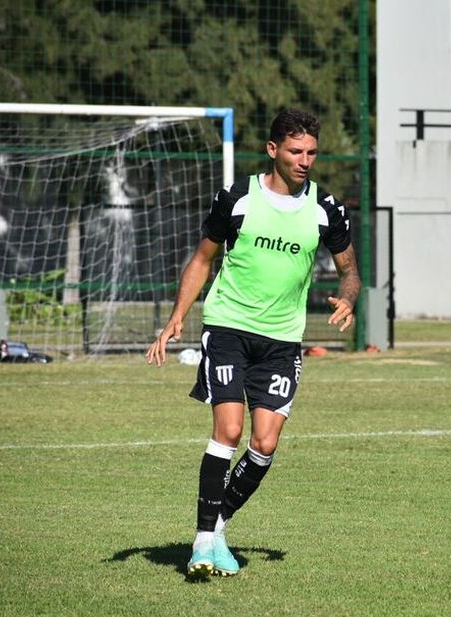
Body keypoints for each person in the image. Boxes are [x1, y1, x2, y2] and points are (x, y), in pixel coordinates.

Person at [145, 108, 360, 578]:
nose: (305, 160)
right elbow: (202, 260)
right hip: (228, 327)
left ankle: (214, 527)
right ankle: (203, 544)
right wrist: (176, 319)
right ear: (273, 150)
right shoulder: (238, 197)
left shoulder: (327, 208)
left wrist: (347, 299)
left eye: (311, 153)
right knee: (229, 431)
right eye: (295, 151)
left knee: (264, 442)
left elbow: (349, 271)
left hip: (283, 340)